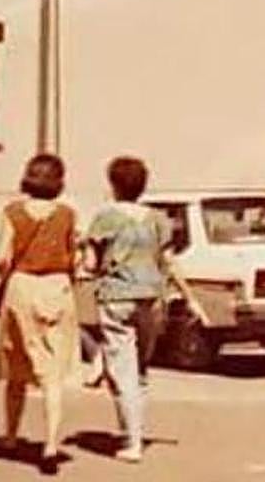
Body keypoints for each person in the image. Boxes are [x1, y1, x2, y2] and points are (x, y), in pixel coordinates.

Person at [0, 153, 78, 476]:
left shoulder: (12, 212)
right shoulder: (67, 214)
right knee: (52, 374)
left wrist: (4, 280)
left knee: (17, 364)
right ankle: (51, 446)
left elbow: (1, 257)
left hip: (23, 286)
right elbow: (75, 257)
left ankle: (11, 436)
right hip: (58, 287)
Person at [81, 155, 173, 465]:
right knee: (141, 368)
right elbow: (167, 260)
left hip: (116, 296)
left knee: (122, 370)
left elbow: (90, 263)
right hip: (151, 296)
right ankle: (136, 429)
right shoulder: (157, 219)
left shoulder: (105, 218)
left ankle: (132, 441)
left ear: (113, 185)